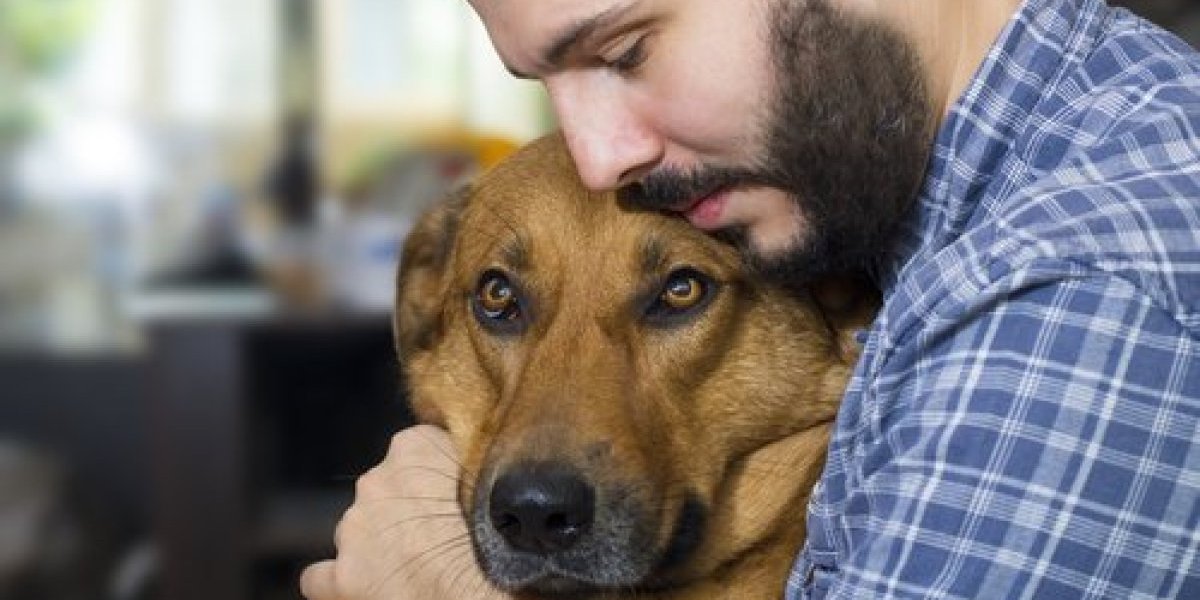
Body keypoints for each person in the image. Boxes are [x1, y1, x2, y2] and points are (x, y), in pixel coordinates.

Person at [301, 0, 1200, 597]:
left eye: (627, 50)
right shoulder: (912, 199)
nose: (596, 156)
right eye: (500, 302)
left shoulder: (1071, 292)